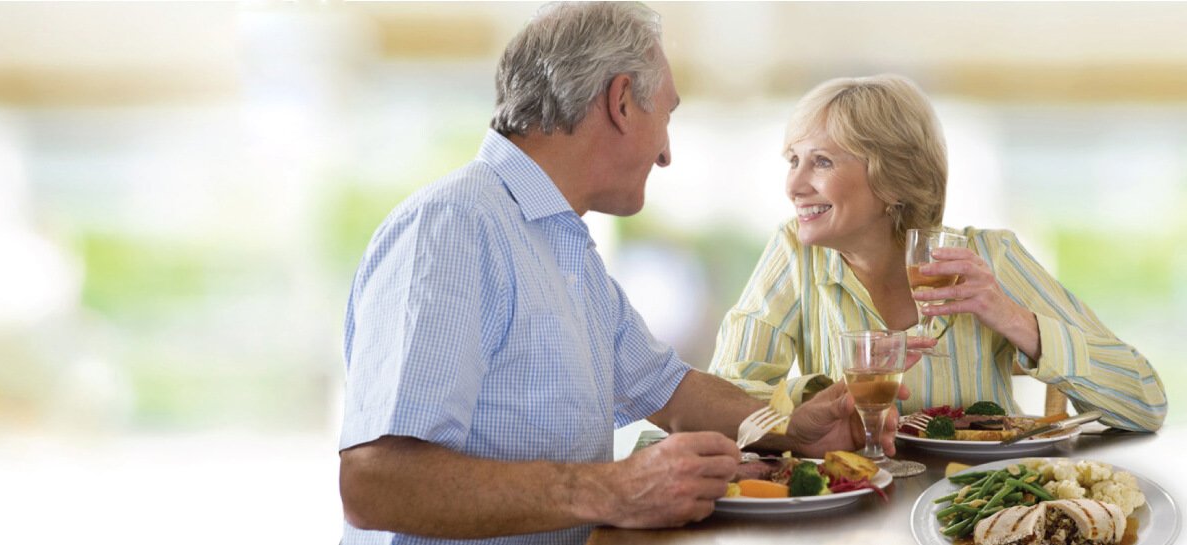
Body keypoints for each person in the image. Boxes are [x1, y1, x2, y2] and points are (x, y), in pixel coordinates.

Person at [336, 4, 893, 544]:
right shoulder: (454, 228)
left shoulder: (561, 244)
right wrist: (611, 489)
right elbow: (375, 482)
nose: (667, 153)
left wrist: (789, 426)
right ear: (622, 101)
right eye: (667, 115)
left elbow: (669, 390)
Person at [708, 75, 1168, 432]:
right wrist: (826, 396)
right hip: (857, 513)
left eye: (822, 161)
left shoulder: (989, 257)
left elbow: (1145, 401)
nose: (793, 185)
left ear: (891, 179)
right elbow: (721, 398)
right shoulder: (795, 254)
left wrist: (1011, 318)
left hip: (976, 511)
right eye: (793, 160)